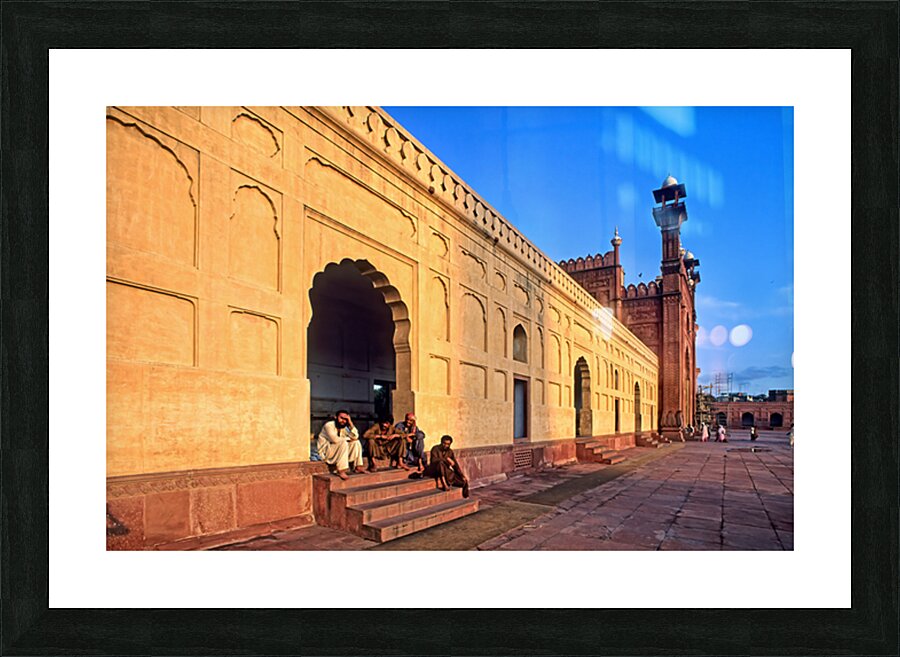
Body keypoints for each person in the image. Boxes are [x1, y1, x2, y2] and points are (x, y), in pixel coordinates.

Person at [316, 410, 365, 480]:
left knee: (356, 442)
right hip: (326, 452)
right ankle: (341, 470)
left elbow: (355, 436)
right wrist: (348, 439)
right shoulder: (329, 425)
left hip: (337, 450)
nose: (343, 421)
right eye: (341, 418)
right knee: (343, 442)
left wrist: (350, 423)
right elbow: (335, 439)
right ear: (335, 417)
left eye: (346, 419)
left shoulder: (344, 427)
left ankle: (358, 467)